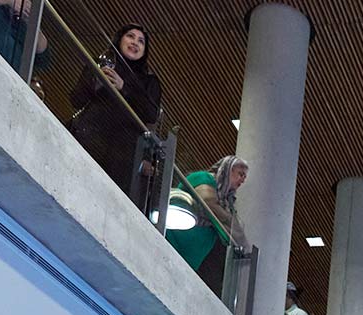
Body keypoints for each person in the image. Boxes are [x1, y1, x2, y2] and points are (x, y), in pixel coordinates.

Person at [68, 24, 161, 206]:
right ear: (120, 39)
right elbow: (76, 99)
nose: (135, 43)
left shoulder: (149, 81)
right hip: (90, 136)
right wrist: (96, 80)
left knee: (106, 201)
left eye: (141, 41)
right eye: (130, 36)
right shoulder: (100, 64)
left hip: (123, 152)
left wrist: (123, 88)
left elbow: (151, 114)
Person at [166, 155, 249, 293]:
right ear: (228, 169)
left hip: (189, 263)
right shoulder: (203, 178)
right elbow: (208, 202)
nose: (242, 180)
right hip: (170, 242)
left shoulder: (228, 203)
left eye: (244, 177)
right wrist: (229, 221)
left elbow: (236, 235)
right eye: (240, 174)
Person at [0, 0, 49, 73]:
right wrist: (10, 1)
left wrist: (31, 21)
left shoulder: (20, 23)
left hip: (6, 77)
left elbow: (43, 57)